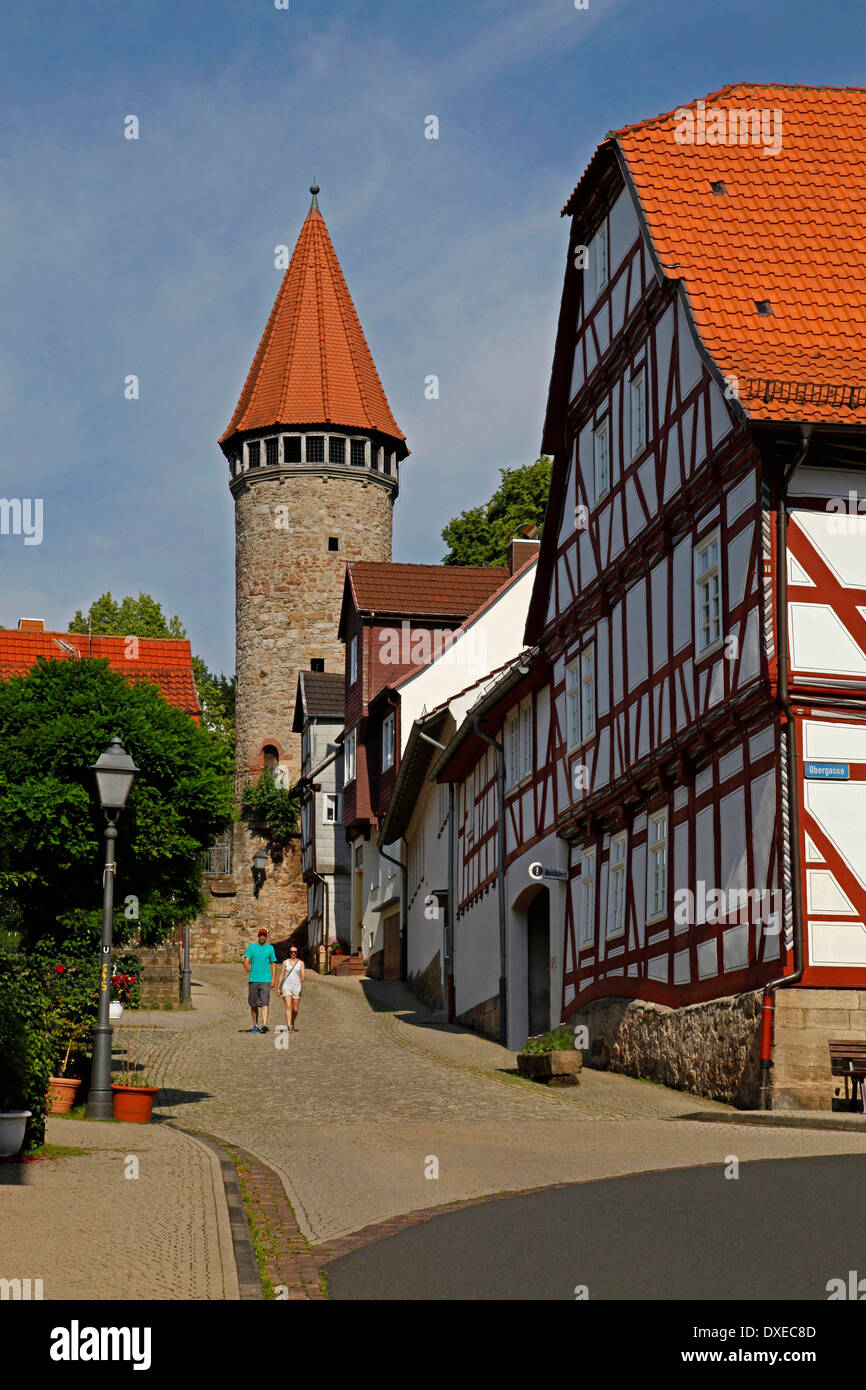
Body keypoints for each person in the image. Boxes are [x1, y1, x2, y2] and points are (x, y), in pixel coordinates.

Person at [243, 928, 277, 1033]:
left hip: (265, 980)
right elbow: (247, 959)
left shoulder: (270, 948)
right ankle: (255, 1025)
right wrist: (246, 966)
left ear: (266, 937)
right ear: (258, 936)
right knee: (253, 1004)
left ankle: (264, 1024)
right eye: (261, 935)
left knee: (265, 1002)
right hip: (253, 979)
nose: (262, 937)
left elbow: (273, 963)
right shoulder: (252, 948)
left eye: (264, 935)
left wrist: (273, 979)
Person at [277, 945, 306, 1031]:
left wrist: (303, 977)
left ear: (297, 953)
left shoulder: (301, 963)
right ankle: (289, 1025)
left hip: (297, 986)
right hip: (287, 986)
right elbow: (281, 975)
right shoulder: (285, 962)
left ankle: (292, 1022)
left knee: (295, 1009)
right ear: (289, 952)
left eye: (295, 952)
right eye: (291, 952)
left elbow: (303, 972)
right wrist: (278, 987)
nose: (293, 953)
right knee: (288, 1005)